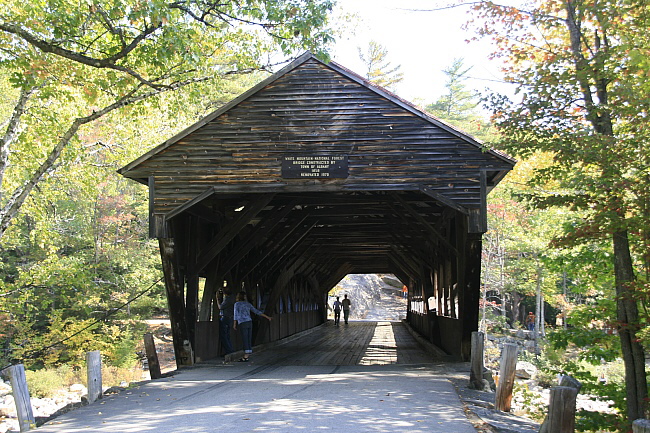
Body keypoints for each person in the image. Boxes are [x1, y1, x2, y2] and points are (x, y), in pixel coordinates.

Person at [233, 291, 272, 362]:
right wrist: (267, 317)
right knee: (249, 337)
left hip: (242, 322)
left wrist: (234, 324)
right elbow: (256, 311)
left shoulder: (237, 304)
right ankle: (247, 354)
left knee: (245, 338)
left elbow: (235, 315)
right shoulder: (247, 304)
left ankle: (246, 355)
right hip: (249, 322)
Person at [216, 287, 234, 356]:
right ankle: (230, 350)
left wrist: (217, 299)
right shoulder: (232, 298)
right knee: (227, 335)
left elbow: (220, 307)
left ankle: (229, 351)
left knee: (224, 335)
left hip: (225, 317)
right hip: (230, 317)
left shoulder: (227, 300)